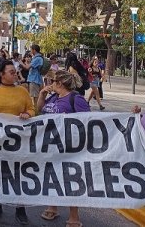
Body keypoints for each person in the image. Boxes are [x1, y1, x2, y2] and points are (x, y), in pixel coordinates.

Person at [0, 59, 35, 225]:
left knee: (18, 174)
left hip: (19, 141)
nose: (16, 74)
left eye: (15, 72)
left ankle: (20, 208)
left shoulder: (22, 91)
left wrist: (28, 114)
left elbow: (31, 109)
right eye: (12, 72)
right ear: (1, 74)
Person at [37, 70, 90, 227]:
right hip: (52, 146)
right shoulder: (54, 97)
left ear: (59, 83)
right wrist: (41, 95)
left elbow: (89, 121)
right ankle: (53, 206)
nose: (50, 83)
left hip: (69, 147)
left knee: (71, 180)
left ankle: (74, 216)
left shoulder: (76, 99)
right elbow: (41, 110)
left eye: (53, 81)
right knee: (53, 177)